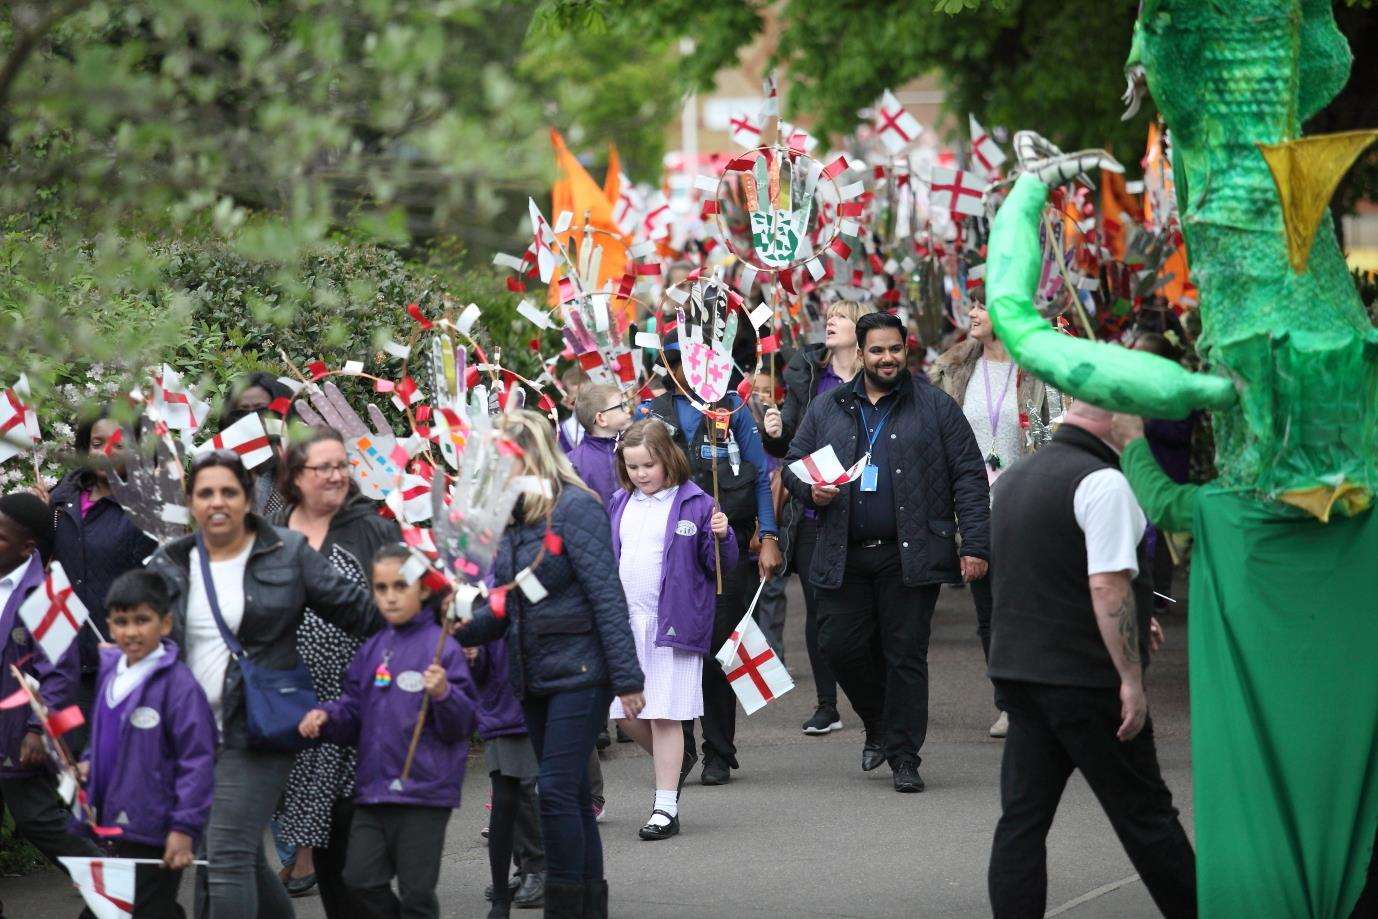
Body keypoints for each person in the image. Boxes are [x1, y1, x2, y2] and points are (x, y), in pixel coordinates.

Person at [985, 399, 1195, 918]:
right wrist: (1131, 679)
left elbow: (1048, 575)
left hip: (1021, 674)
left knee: (1022, 822)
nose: (1140, 429)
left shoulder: (1015, 479)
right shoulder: (1103, 481)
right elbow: (1106, 585)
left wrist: (1137, 610)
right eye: (1135, 417)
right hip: (1087, 680)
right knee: (1147, 817)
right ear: (1113, 419)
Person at [145, 451, 377, 919]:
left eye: (229, 491)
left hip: (257, 726)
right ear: (191, 502)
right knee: (239, 857)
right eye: (206, 492)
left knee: (225, 854)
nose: (218, 502)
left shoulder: (286, 551)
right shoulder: (170, 563)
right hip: (192, 734)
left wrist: (429, 609)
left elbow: (360, 612)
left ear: (248, 498)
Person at [781, 312, 990, 793]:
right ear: (861, 354)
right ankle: (877, 723)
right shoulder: (828, 407)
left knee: (905, 656)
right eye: (876, 350)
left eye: (894, 348)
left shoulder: (936, 407)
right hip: (843, 552)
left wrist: (975, 543)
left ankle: (903, 755)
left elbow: (969, 477)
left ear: (906, 349)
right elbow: (793, 462)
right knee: (840, 646)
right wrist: (811, 491)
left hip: (910, 554)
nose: (886, 358)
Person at [459, 409, 644, 919]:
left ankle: (563, 907)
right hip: (533, 674)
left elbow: (607, 595)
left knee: (556, 791)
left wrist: (627, 678)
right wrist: (456, 626)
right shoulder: (510, 519)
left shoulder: (575, 509)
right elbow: (502, 604)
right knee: (573, 793)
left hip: (582, 673)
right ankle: (589, 904)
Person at [298, 544, 477, 919]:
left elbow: (462, 724)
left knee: (416, 895)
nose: (390, 597)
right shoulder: (373, 647)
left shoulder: (441, 648)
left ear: (423, 590)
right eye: (381, 588)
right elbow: (353, 707)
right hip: (375, 789)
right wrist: (327, 718)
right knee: (360, 880)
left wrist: (444, 693)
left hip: (423, 793)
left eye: (400, 586)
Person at [269, 426, 400, 907]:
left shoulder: (372, 527)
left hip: (365, 712)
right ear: (295, 476)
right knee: (326, 857)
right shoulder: (276, 530)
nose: (336, 475)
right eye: (323, 467)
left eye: (342, 465)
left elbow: (402, 610)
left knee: (359, 858)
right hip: (300, 716)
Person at [645, 339, 781, 786]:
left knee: (722, 650)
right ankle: (678, 751)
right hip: (672, 550)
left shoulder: (732, 408)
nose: (698, 369)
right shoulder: (654, 413)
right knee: (679, 650)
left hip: (729, 547)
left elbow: (761, 474)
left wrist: (768, 536)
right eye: (685, 362)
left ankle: (720, 751)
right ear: (671, 366)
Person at [607, 420, 734, 841]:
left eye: (648, 465)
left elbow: (719, 566)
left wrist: (724, 535)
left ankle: (665, 806)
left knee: (663, 715)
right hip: (626, 624)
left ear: (668, 459)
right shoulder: (619, 503)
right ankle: (678, 756)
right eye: (632, 466)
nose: (641, 474)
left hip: (672, 624)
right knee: (625, 713)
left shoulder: (696, 503)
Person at [931, 302, 1053, 738]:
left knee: (1028, 607)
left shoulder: (1039, 368)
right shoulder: (952, 369)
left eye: (983, 304)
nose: (972, 311)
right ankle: (1008, 703)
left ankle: (1038, 695)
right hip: (975, 508)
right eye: (971, 303)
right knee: (989, 612)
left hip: (1027, 506)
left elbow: (1052, 433)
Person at [760, 299, 874, 736]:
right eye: (828, 315)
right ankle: (828, 704)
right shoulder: (808, 376)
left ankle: (872, 698)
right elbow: (788, 448)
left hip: (867, 508)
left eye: (842, 316)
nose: (830, 321)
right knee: (819, 609)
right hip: (814, 510)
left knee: (868, 611)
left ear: (860, 329)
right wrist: (776, 432)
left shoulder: (876, 378)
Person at [78, 570, 216, 918]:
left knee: (142, 909)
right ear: (109, 625)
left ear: (165, 624)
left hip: (156, 826)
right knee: (122, 910)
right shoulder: (111, 672)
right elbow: (103, 731)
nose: (132, 631)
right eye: (121, 621)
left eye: (143, 620)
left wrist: (184, 829)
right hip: (112, 822)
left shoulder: (179, 687)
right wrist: (88, 761)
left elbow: (197, 762)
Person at [45, 407, 159, 754]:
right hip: (64, 657)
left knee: (116, 764)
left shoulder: (150, 506)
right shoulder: (61, 498)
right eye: (98, 443)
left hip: (123, 658)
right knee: (69, 762)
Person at [0, 492, 100, 865]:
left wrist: (37, 730)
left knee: (39, 820)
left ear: (27, 548)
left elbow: (60, 673)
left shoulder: (49, 595)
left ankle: (114, 892)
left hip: (18, 734)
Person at [466, 635, 546, 917]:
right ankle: (525, 865)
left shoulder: (521, 590)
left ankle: (539, 867)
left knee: (522, 785)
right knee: (506, 792)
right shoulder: (475, 593)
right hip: (496, 700)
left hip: (528, 694)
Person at [219, 372, 295, 518]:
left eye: (261, 410)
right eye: (243, 411)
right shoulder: (221, 468)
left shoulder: (303, 465)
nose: (252, 419)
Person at [567, 383, 632, 505]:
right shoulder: (571, 463)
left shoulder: (635, 447)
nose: (629, 409)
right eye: (622, 406)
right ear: (601, 418)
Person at [556, 366, 590, 453]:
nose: (588, 401)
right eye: (579, 398)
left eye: (590, 394)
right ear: (567, 400)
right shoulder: (562, 433)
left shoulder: (611, 417)